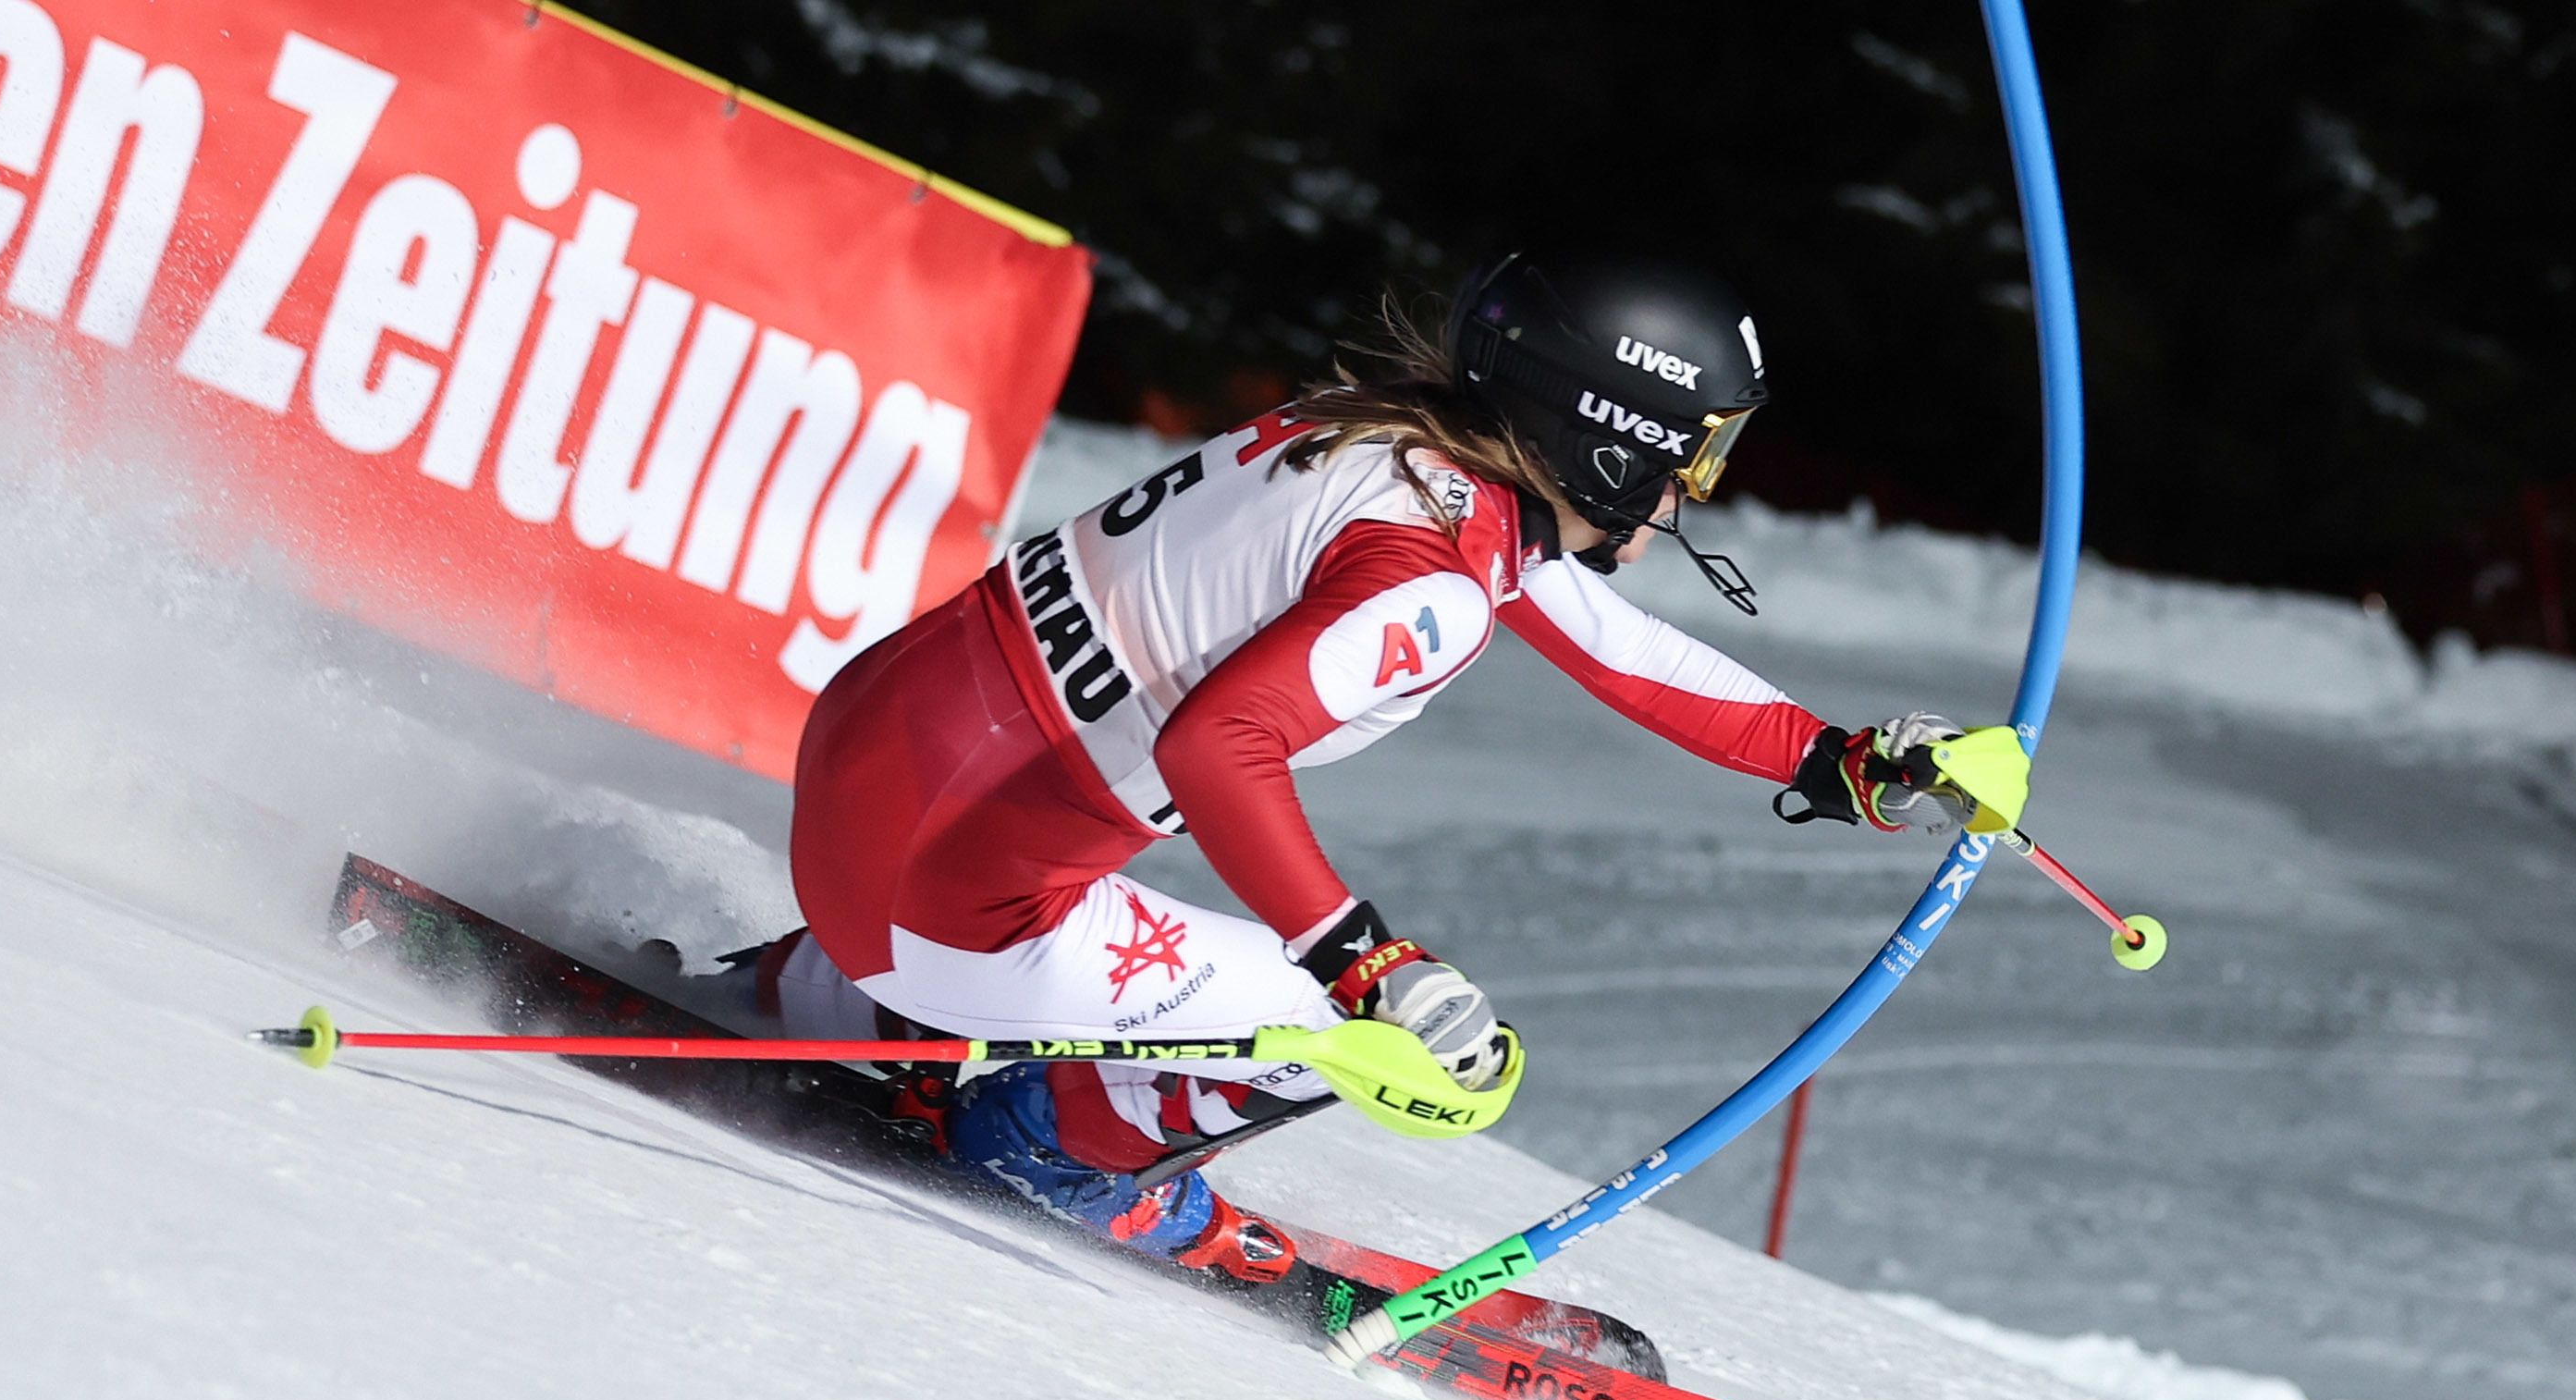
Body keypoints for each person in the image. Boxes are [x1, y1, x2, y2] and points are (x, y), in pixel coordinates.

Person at [737, 252, 1969, 1283]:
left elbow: (1620, 653)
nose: (1698, 491)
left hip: (864, 779)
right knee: (1418, 1053)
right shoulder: (1434, 580)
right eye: (1697, 456)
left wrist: (1837, 759)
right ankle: (1042, 1142)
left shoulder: (1391, 442)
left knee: (1167, 903)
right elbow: (1216, 747)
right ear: (1613, 443)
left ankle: (832, 1003)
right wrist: (1364, 962)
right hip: (930, 896)